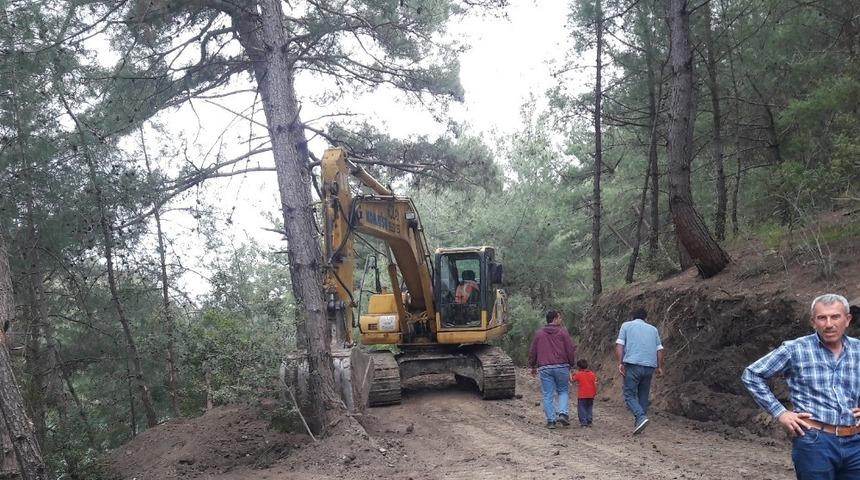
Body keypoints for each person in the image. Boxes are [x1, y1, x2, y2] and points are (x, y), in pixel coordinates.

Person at [742, 293, 860, 479]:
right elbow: (752, 374)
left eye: (835, 316)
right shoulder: (795, 349)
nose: (829, 324)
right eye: (822, 318)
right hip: (815, 441)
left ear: (847, 319)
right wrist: (780, 412)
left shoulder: (858, 349)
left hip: (856, 443)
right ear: (813, 322)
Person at [615, 307, 664, 434]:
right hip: (649, 367)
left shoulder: (626, 326)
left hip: (633, 365)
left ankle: (641, 417)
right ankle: (640, 422)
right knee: (643, 394)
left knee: (629, 394)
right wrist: (659, 366)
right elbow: (659, 349)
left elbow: (620, 345)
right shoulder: (653, 329)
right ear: (645, 318)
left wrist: (620, 363)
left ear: (633, 316)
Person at [528, 310, 577, 429]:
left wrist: (533, 365)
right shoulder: (563, 332)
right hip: (561, 366)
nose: (561, 320)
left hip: (545, 368)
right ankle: (563, 413)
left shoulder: (539, 334)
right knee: (563, 391)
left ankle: (551, 421)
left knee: (548, 394)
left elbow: (533, 351)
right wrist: (572, 364)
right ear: (555, 319)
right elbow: (569, 349)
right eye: (559, 318)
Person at [571, 359, 597, 427]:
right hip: (591, 394)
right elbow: (595, 384)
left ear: (579, 367)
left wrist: (571, 374)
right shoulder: (592, 374)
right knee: (589, 407)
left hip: (582, 395)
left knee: (582, 408)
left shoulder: (579, 374)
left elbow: (572, 380)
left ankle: (583, 422)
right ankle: (589, 421)